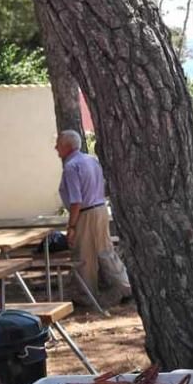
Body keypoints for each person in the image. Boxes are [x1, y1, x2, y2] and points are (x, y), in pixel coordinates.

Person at [54, 130, 131, 308]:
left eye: (58, 144)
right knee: (105, 250)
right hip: (101, 209)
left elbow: (76, 200)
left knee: (84, 254)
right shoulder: (92, 161)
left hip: (86, 213)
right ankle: (125, 286)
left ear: (66, 146)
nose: (56, 148)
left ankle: (86, 295)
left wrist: (71, 226)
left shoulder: (71, 167)